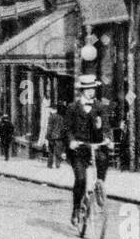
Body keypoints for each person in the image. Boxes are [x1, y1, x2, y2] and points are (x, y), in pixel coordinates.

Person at [64, 75, 110, 226]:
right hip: (78, 148)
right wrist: (71, 141)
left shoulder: (100, 107)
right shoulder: (72, 108)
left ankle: (99, 185)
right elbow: (67, 128)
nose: (91, 92)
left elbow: (106, 126)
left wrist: (107, 138)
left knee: (103, 158)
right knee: (81, 179)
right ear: (82, 91)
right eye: (88, 89)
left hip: (94, 145)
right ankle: (76, 209)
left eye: (93, 89)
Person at [44, 103, 65, 169]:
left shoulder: (51, 117)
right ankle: (57, 164)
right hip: (59, 137)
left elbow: (49, 127)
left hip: (52, 137)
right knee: (58, 151)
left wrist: (47, 136)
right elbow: (62, 128)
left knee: (51, 151)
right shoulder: (61, 117)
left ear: (52, 109)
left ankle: (49, 165)